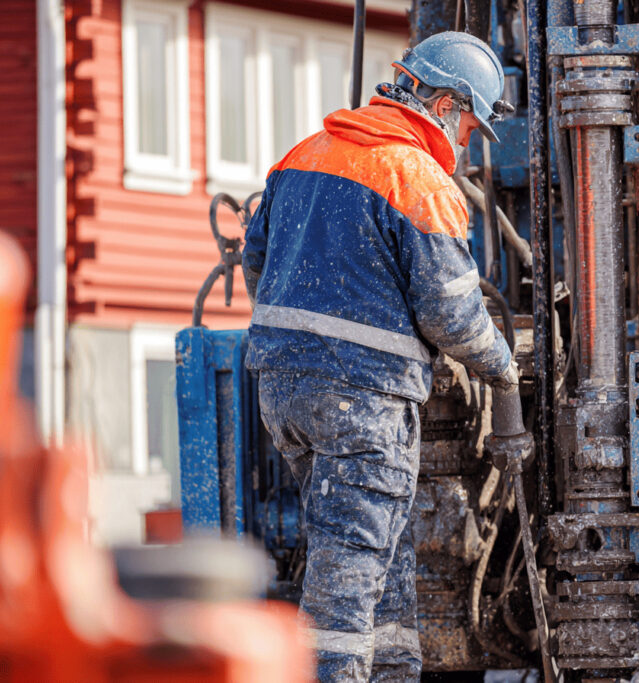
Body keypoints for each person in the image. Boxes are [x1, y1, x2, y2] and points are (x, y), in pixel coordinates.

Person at [241, 32, 518, 682]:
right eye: (473, 126)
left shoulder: (302, 155)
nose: (468, 143)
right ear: (447, 105)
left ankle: (394, 671)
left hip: (284, 393)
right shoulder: (415, 178)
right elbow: (452, 315)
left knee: (378, 557)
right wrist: (502, 369)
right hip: (361, 406)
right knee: (346, 583)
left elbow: (258, 265)